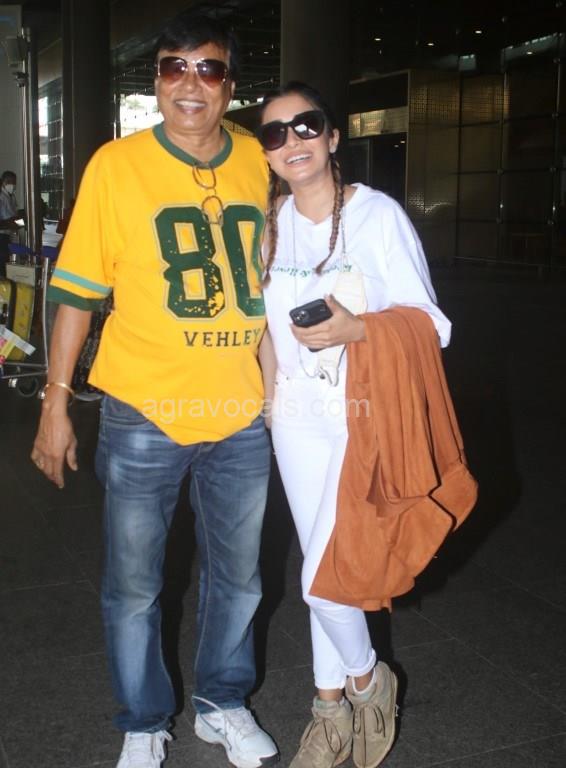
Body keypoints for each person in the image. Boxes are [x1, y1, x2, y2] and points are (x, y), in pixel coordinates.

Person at [31, 12, 279, 768]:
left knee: (239, 580)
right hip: (144, 411)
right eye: (175, 67)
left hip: (239, 410)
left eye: (209, 69)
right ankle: (143, 719)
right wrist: (55, 402)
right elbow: (76, 296)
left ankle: (222, 702)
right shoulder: (116, 165)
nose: (190, 84)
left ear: (230, 85)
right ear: (157, 80)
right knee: (134, 585)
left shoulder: (256, 158)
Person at [256, 83, 455, 768]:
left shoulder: (377, 215)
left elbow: (432, 323)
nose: (293, 142)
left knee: (322, 578)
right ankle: (329, 713)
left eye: (306, 126)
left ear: (333, 136)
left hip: (360, 415)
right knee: (324, 566)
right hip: (295, 417)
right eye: (275, 134)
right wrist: (270, 403)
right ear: (267, 154)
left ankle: (369, 681)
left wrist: (358, 329)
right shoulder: (269, 223)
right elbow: (266, 327)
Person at [0, 170, 20, 277]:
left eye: (14, 183)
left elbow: (16, 216)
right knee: (3, 263)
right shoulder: (1, 197)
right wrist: (14, 222)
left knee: (8, 262)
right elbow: (8, 220)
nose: (13, 185)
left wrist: (18, 222)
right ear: (4, 182)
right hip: (2, 235)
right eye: (10, 182)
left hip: (9, 234)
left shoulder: (12, 196)